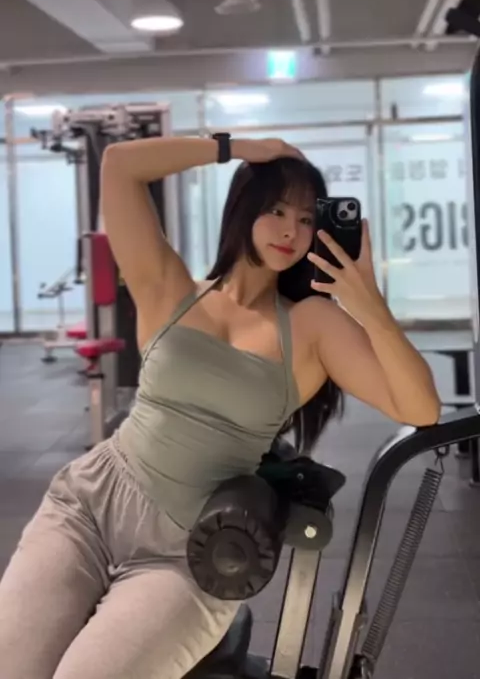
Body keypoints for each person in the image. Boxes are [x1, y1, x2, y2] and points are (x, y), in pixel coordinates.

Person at [0, 135, 441, 679]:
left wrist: (368, 304)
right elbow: (119, 165)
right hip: (86, 509)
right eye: (276, 209)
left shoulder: (311, 325)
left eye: (306, 219)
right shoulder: (170, 288)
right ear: (243, 208)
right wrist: (241, 147)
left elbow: (421, 407)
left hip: (187, 552)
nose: (290, 230)